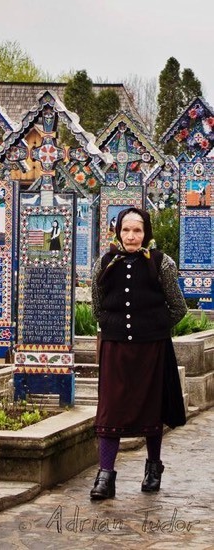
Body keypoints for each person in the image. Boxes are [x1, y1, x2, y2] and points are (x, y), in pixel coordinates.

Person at [89, 207, 187, 501]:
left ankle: (153, 467)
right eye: (126, 230)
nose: (131, 236)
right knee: (110, 409)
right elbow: (97, 305)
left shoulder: (161, 263)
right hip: (116, 347)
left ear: (147, 233)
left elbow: (178, 307)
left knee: (150, 408)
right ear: (118, 232)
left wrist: (153, 328)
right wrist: (111, 326)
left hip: (151, 349)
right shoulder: (105, 263)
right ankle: (106, 476)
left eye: (137, 230)